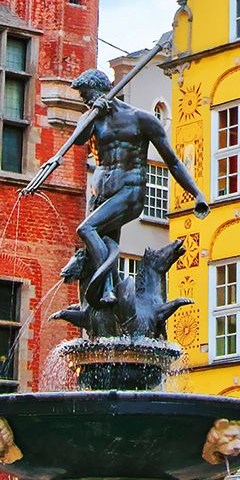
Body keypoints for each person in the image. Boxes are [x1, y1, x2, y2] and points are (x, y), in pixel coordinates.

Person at [26, 68, 209, 311]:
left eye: (87, 95)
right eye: (83, 98)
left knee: (87, 229)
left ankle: (107, 284)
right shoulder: (93, 119)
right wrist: (91, 113)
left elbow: (173, 162)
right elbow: (78, 140)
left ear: (102, 90)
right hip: (100, 194)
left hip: (129, 191)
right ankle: (113, 297)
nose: (86, 101)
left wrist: (196, 193)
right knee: (105, 242)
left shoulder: (141, 119)